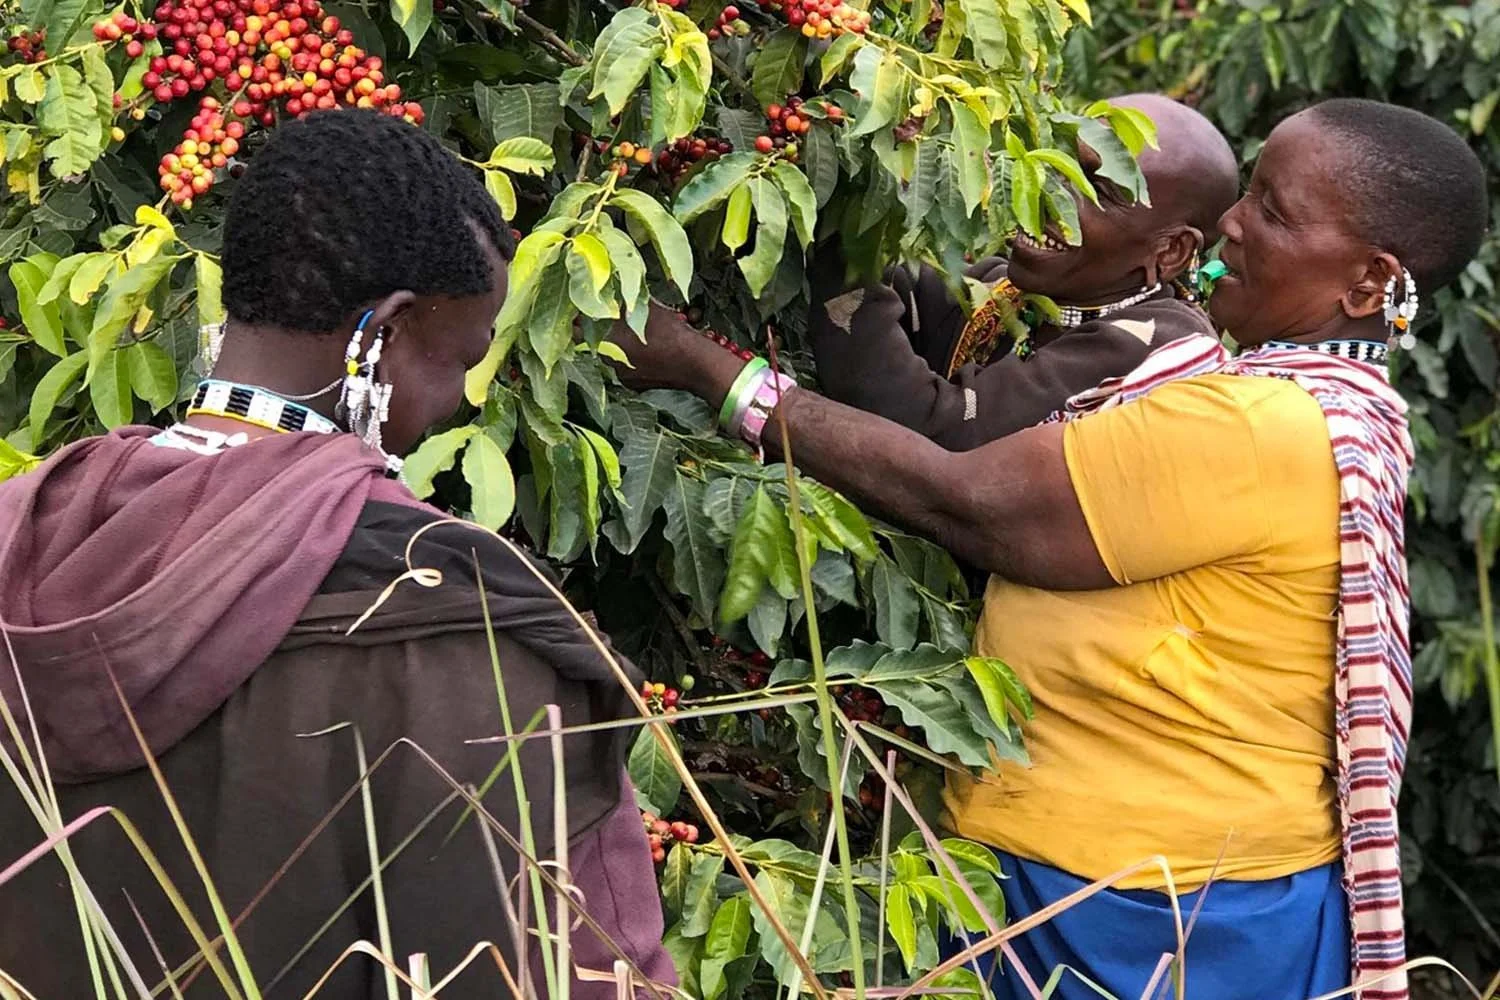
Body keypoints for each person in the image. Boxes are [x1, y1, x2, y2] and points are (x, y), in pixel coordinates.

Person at [609, 99, 1487, 1000]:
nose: (1233, 221)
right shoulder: (1305, 406)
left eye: (1272, 209)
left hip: (1151, 907)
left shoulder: (1261, 424)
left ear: (1369, 283)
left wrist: (710, 372)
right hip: (1151, 884)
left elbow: (970, 504)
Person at [0, 110, 673, 999]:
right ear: (380, 337)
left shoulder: (26, 528)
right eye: (462, 361)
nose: (464, 400)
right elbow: (585, 970)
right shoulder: (469, 638)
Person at [807, 94, 1240, 450]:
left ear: (1170, 251)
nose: (1048, 196)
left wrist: (845, 228)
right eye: (1058, 164)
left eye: (1096, 191)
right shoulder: (1019, 294)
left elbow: (931, 428)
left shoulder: (1155, 343)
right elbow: (907, 287)